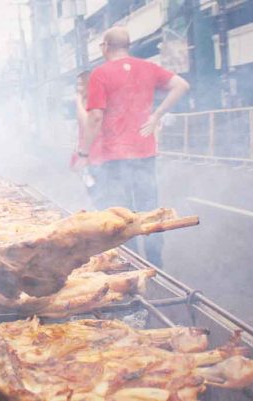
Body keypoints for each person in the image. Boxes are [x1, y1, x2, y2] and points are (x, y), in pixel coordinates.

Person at [78, 26, 190, 266]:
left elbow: (96, 117)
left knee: (121, 215)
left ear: (106, 47)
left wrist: (83, 153)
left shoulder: (100, 73)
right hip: (145, 153)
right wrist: (156, 115)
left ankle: (131, 264)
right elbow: (181, 85)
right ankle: (156, 264)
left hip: (114, 157)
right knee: (148, 210)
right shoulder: (148, 67)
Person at [71, 70, 103, 204]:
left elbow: (86, 123)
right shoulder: (85, 101)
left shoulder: (93, 101)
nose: (78, 88)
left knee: (97, 190)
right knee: (90, 187)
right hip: (86, 151)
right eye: (77, 85)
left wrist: (78, 102)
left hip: (96, 153)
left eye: (81, 85)